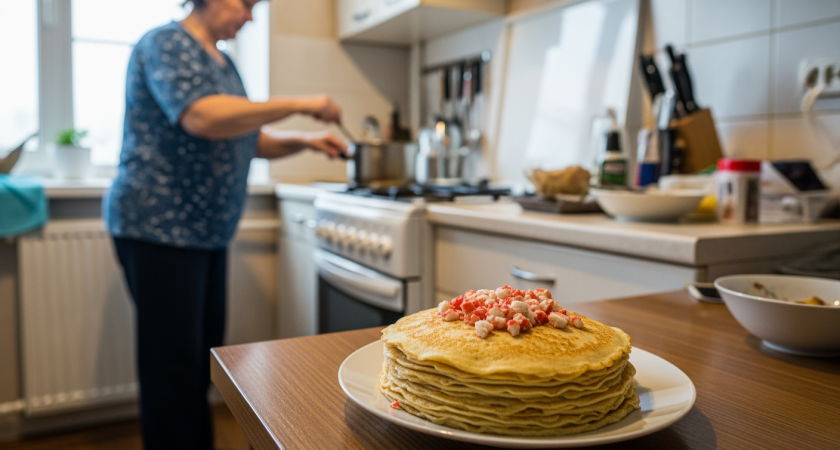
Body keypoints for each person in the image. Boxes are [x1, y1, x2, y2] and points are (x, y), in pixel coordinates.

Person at [103, 0, 347, 448]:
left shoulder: (225, 62)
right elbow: (201, 116)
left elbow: (246, 136)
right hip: (160, 227)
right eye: (245, 4)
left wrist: (307, 140)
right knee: (173, 369)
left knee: (200, 359)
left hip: (206, 231)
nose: (249, 17)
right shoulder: (165, 43)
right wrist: (301, 104)